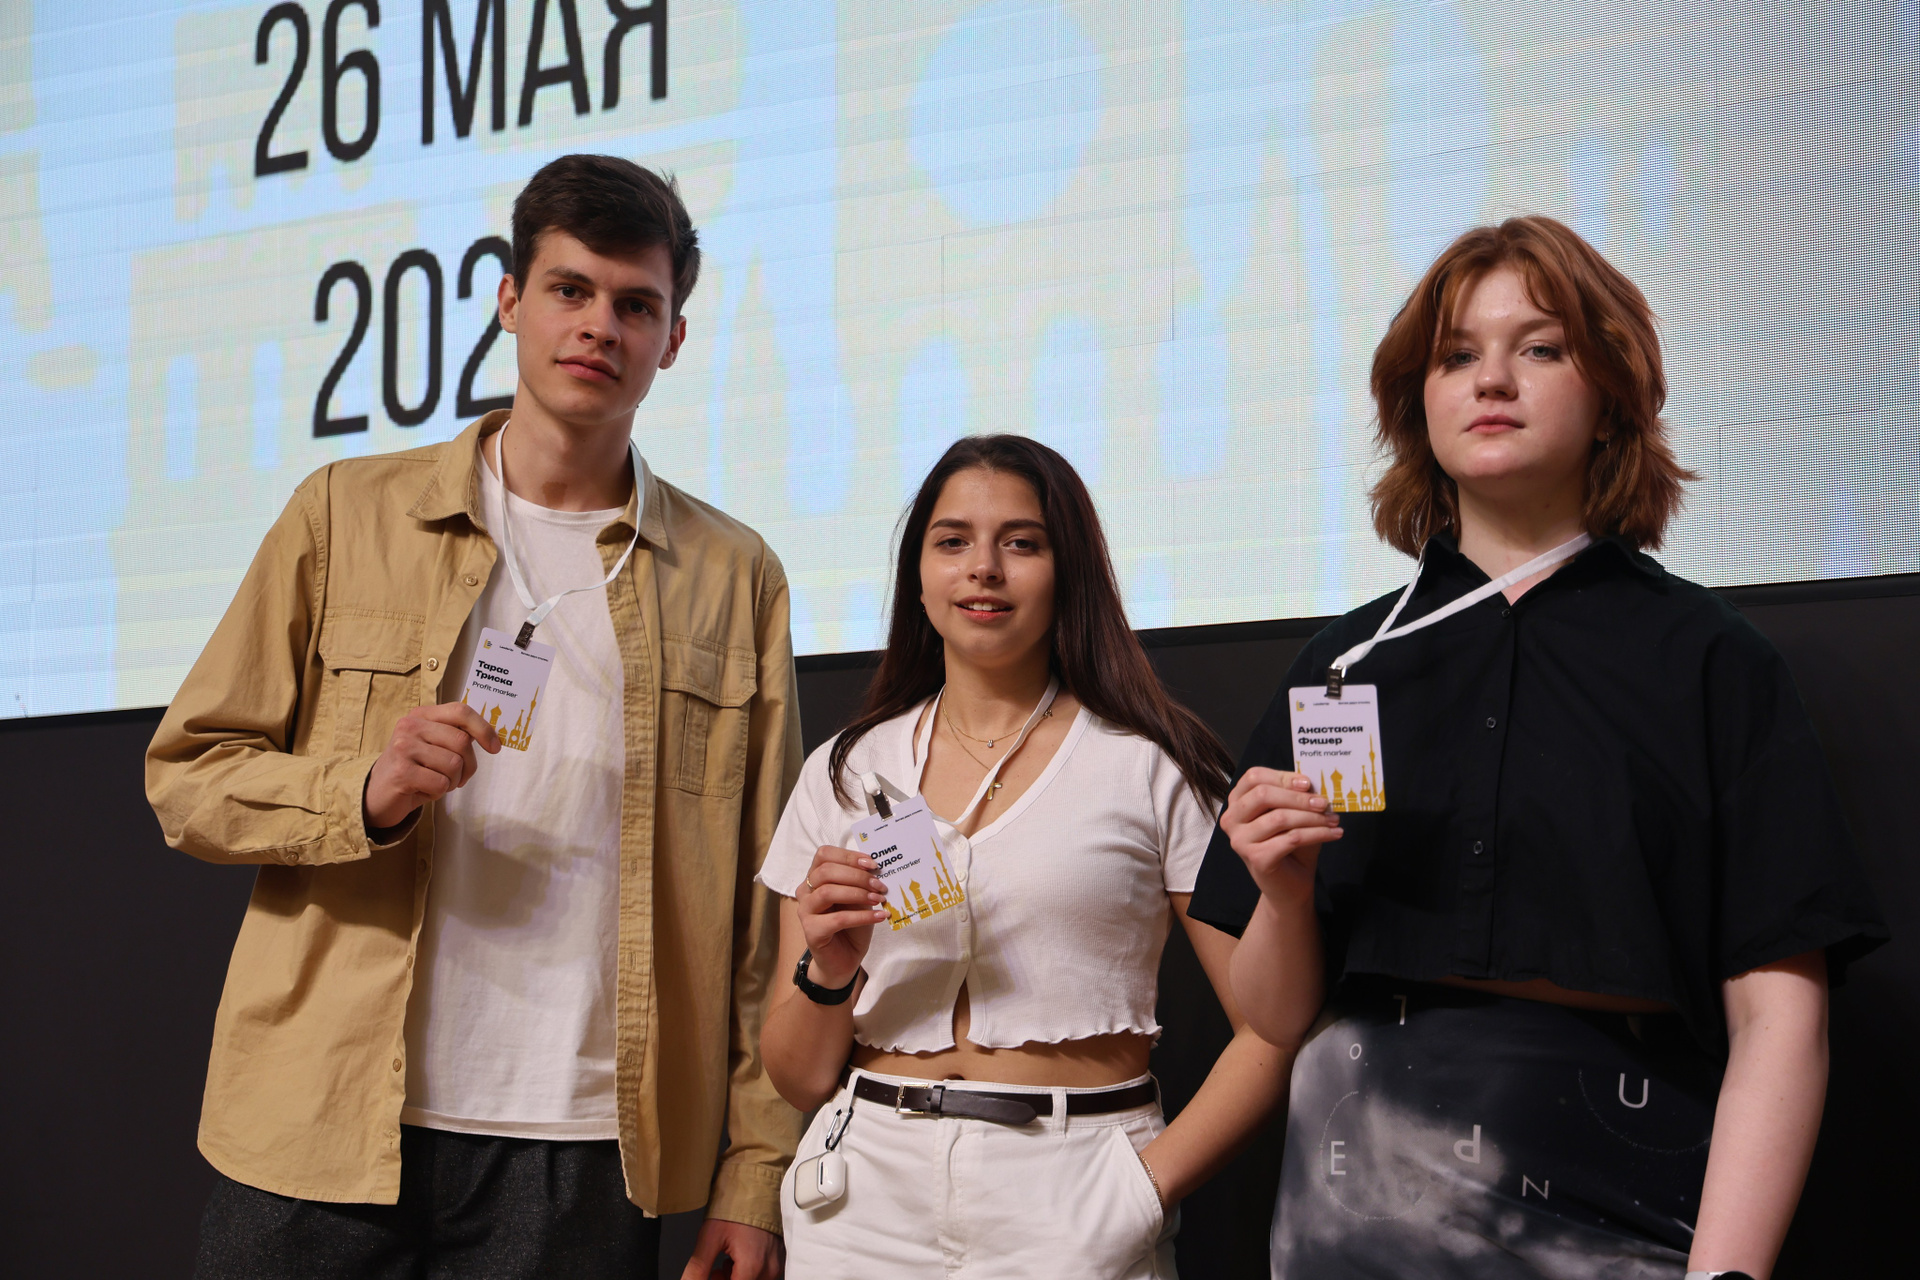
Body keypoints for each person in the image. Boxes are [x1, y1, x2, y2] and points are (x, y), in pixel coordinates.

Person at [1189, 215, 1888, 1278]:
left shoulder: (1712, 661)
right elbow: (1274, 1017)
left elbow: (1780, 1019)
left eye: (1541, 347)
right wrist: (1284, 895)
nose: (1492, 379)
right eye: (1456, 356)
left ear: (1612, 392)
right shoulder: (1346, 665)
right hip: (1352, 1205)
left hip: (1623, 1198)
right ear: (1416, 404)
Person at [147, 155, 802, 1280]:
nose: (598, 326)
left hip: (582, 1146)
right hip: (322, 1120)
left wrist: (756, 1174)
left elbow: (763, 909)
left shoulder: (733, 574)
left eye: (636, 305)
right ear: (508, 299)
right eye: (569, 289)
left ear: (673, 340)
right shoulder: (345, 513)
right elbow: (188, 775)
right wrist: (360, 791)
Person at [755, 434, 1291, 1278]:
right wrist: (829, 970)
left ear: (1067, 570)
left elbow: (1272, 1025)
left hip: (1074, 1184)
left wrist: (1141, 1191)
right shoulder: (845, 770)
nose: (984, 568)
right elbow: (797, 1079)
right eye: (952, 541)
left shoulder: (1152, 763)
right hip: (861, 1199)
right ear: (917, 576)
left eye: (1022, 542)